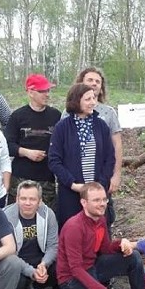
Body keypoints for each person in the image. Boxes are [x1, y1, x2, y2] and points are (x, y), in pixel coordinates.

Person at [55, 182, 145, 289]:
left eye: (104, 199)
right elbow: (75, 269)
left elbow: (105, 249)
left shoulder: (101, 219)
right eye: (96, 200)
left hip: (92, 267)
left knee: (133, 257)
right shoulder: (74, 227)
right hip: (71, 279)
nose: (102, 204)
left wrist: (121, 243)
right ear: (84, 202)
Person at [48, 83, 115, 228]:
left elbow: (110, 158)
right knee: (73, 231)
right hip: (71, 193)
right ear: (76, 101)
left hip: (97, 192)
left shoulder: (101, 126)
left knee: (99, 233)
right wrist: (72, 184)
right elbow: (54, 161)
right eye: (88, 99)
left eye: (94, 98)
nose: (93, 102)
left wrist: (100, 184)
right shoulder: (62, 127)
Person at [4, 73, 62, 207]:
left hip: (46, 178)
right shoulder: (18, 116)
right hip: (21, 178)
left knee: (46, 217)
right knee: (18, 216)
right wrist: (27, 153)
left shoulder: (56, 115)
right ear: (30, 92)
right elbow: (8, 145)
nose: (47, 94)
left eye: (48, 90)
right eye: (42, 91)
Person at [74, 67, 123, 224]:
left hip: (101, 176)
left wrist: (116, 175)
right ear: (81, 83)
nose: (94, 84)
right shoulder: (68, 114)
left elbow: (117, 145)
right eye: (90, 80)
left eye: (97, 81)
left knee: (102, 221)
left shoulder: (108, 113)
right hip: (76, 181)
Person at [3, 180, 60, 289]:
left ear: (40, 201)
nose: (27, 203)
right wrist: (29, 271)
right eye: (23, 198)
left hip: (39, 259)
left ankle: (35, 288)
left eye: (32, 199)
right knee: (15, 275)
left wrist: (44, 264)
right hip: (16, 260)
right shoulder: (5, 216)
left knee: (60, 266)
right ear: (17, 199)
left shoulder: (48, 214)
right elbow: (7, 253)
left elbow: (53, 245)